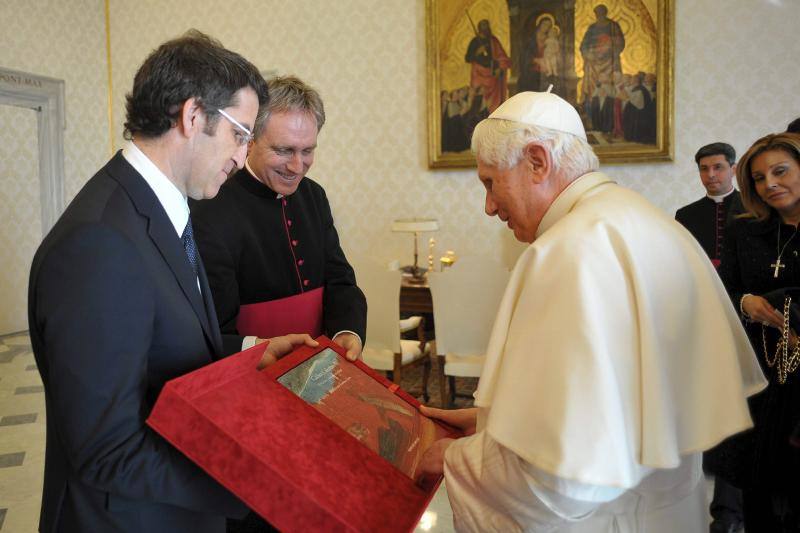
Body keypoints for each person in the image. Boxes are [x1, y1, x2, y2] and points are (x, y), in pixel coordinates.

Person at [417, 90, 766, 532]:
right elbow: (618, 411)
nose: (488, 206)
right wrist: (497, 423)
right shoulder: (644, 219)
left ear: (538, 162)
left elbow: (560, 482)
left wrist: (455, 457)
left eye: (490, 182)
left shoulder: (569, 251)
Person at [27, 31, 318, 533]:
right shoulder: (99, 243)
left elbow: (165, 355)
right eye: (241, 133)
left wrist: (252, 351)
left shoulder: (163, 208)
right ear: (192, 116)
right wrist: (259, 485)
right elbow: (107, 449)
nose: (244, 153)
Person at [191, 75, 366, 361]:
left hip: (318, 364)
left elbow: (340, 280)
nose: (297, 166)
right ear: (251, 140)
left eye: (307, 150)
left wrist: (346, 331)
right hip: (251, 371)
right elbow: (210, 327)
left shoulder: (314, 196)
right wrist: (254, 351)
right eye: (284, 150)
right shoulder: (212, 206)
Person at [718, 132, 800, 531]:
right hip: (760, 375)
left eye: (780, 171)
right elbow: (724, 292)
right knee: (758, 489)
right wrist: (745, 303)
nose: (770, 184)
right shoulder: (743, 230)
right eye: (759, 177)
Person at [676, 143, 744, 269]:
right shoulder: (685, 215)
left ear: (733, 170)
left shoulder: (753, 207)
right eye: (704, 168)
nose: (711, 175)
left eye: (718, 167)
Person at [579, 4, 625, 118]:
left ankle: (610, 115)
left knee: (610, 86)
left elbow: (620, 43)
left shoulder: (613, 26)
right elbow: (584, 45)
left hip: (610, 61)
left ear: (605, 13)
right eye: (597, 13)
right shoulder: (592, 28)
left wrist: (609, 47)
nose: (599, 15)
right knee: (591, 88)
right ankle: (591, 114)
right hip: (593, 63)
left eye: (601, 13)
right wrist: (588, 54)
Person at [464, 19, 511, 113]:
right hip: (478, 73)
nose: (486, 28)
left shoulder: (493, 41)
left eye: (487, 26)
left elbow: (501, 57)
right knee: (478, 96)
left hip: (493, 74)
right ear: (479, 29)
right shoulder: (475, 41)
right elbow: (468, 58)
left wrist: (499, 68)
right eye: (483, 26)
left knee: (494, 101)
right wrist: (477, 52)